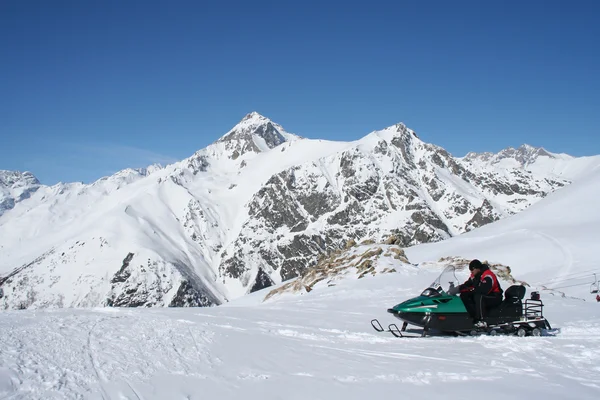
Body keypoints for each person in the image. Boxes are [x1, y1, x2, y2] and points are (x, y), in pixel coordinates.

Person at [458, 259, 503, 328]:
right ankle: (469, 316)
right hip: (486, 295)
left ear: (477, 268)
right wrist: (458, 289)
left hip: (495, 296)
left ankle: (481, 320)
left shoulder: (487, 275)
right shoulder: (475, 276)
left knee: (479, 296)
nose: (471, 272)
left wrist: (472, 290)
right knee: (465, 295)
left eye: (472, 270)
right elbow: (468, 284)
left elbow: (484, 290)